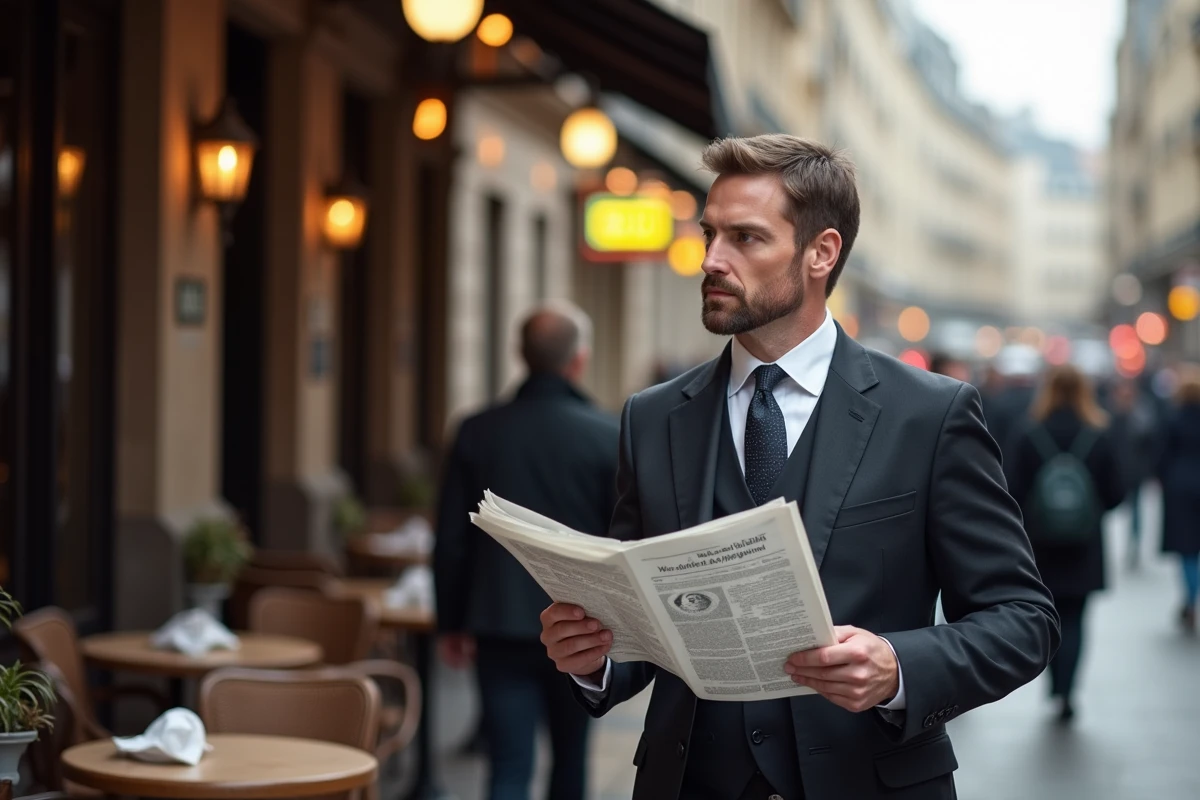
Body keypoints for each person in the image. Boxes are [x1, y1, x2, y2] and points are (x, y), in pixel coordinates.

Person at [538, 134, 1059, 800]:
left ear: (822, 252)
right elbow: (645, 621)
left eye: (746, 239)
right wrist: (594, 657)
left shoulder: (930, 415)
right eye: (710, 234)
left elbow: (1024, 618)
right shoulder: (653, 416)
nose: (712, 260)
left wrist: (899, 667)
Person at [433, 302, 619, 800]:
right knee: (570, 764)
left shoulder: (478, 430)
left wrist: (450, 622)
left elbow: (451, 539)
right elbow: (619, 542)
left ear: (521, 355)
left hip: (498, 622)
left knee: (507, 767)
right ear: (579, 360)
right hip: (582, 626)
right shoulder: (607, 435)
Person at [1005, 365, 1125, 722]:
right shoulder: (1098, 433)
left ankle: (1053, 683)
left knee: (1048, 614)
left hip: (1040, 545)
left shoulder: (1029, 432)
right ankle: (1068, 691)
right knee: (1076, 617)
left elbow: (1012, 489)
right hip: (1084, 545)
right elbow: (1116, 492)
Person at [1157, 364, 1200, 633]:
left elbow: (1161, 456)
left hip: (1180, 488)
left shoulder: (1172, 418)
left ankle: (1190, 599)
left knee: (1187, 551)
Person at [1107, 376, 1162, 568]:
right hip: (1120, 469)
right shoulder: (1112, 413)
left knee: (1136, 509)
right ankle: (1128, 544)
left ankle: (1134, 545)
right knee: (1125, 509)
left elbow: (1150, 439)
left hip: (1136, 469)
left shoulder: (1141, 413)